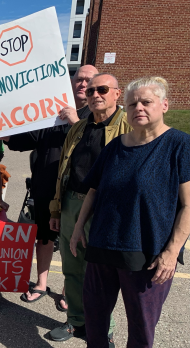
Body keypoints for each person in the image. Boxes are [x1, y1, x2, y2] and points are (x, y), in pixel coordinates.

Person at [71, 77, 190, 348]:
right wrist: (78, 228)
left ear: (164, 105)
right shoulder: (114, 147)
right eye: (133, 103)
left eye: (146, 102)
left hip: (147, 253)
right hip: (102, 246)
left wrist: (171, 253)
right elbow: (94, 191)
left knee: (141, 327)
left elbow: (188, 205)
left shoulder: (179, 145)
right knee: (95, 320)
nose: (139, 108)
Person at [0, 65, 99, 310]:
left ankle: (67, 291)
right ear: (71, 82)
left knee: (75, 239)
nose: (83, 84)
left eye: (88, 81)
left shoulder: (96, 116)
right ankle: (41, 283)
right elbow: (29, 139)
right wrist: (5, 135)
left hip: (76, 191)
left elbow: (94, 148)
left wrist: (75, 123)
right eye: (79, 79)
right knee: (44, 235)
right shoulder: (53, 111)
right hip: (45, 185)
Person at [47, 73, 131, 344]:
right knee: (72, 267)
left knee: (100, 273)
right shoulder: (79, 128)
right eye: (92, 90)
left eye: (103, 89)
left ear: (118, 94)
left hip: (106, 209)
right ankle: (76, 322)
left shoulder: (129, 126)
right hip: (72, 201)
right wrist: (57, 210)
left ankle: (103, 328)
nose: (96, 94)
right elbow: (64, 171)